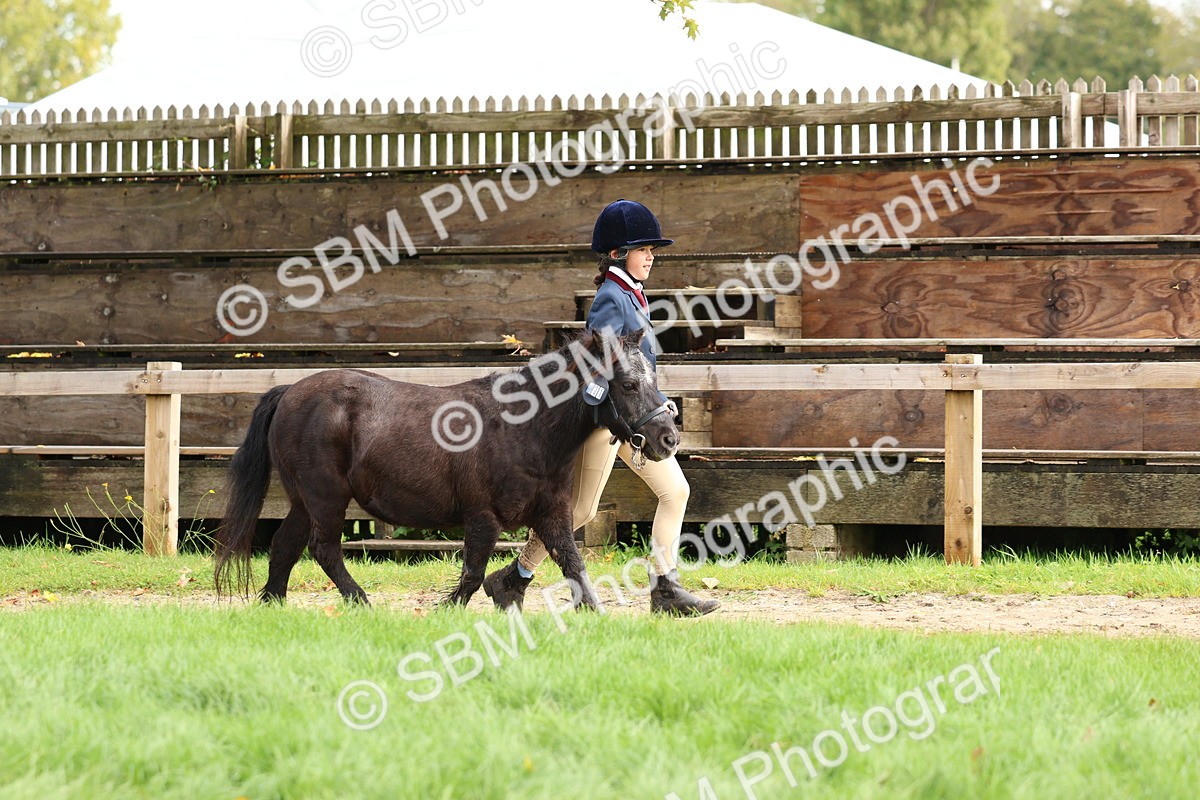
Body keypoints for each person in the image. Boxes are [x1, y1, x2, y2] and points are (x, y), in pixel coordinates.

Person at [483, 199, 720, 616]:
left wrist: (656, 402)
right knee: (580, 510)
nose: (651, 256)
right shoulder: (612, 297)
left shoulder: (632, 293)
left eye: (653, 250)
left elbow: (638, 364)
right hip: (607, 422)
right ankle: (513, 579)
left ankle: (665, 588)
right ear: (617, 253)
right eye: (643, 249)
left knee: (675, 491)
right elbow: (602, 360)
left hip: (633, 418)